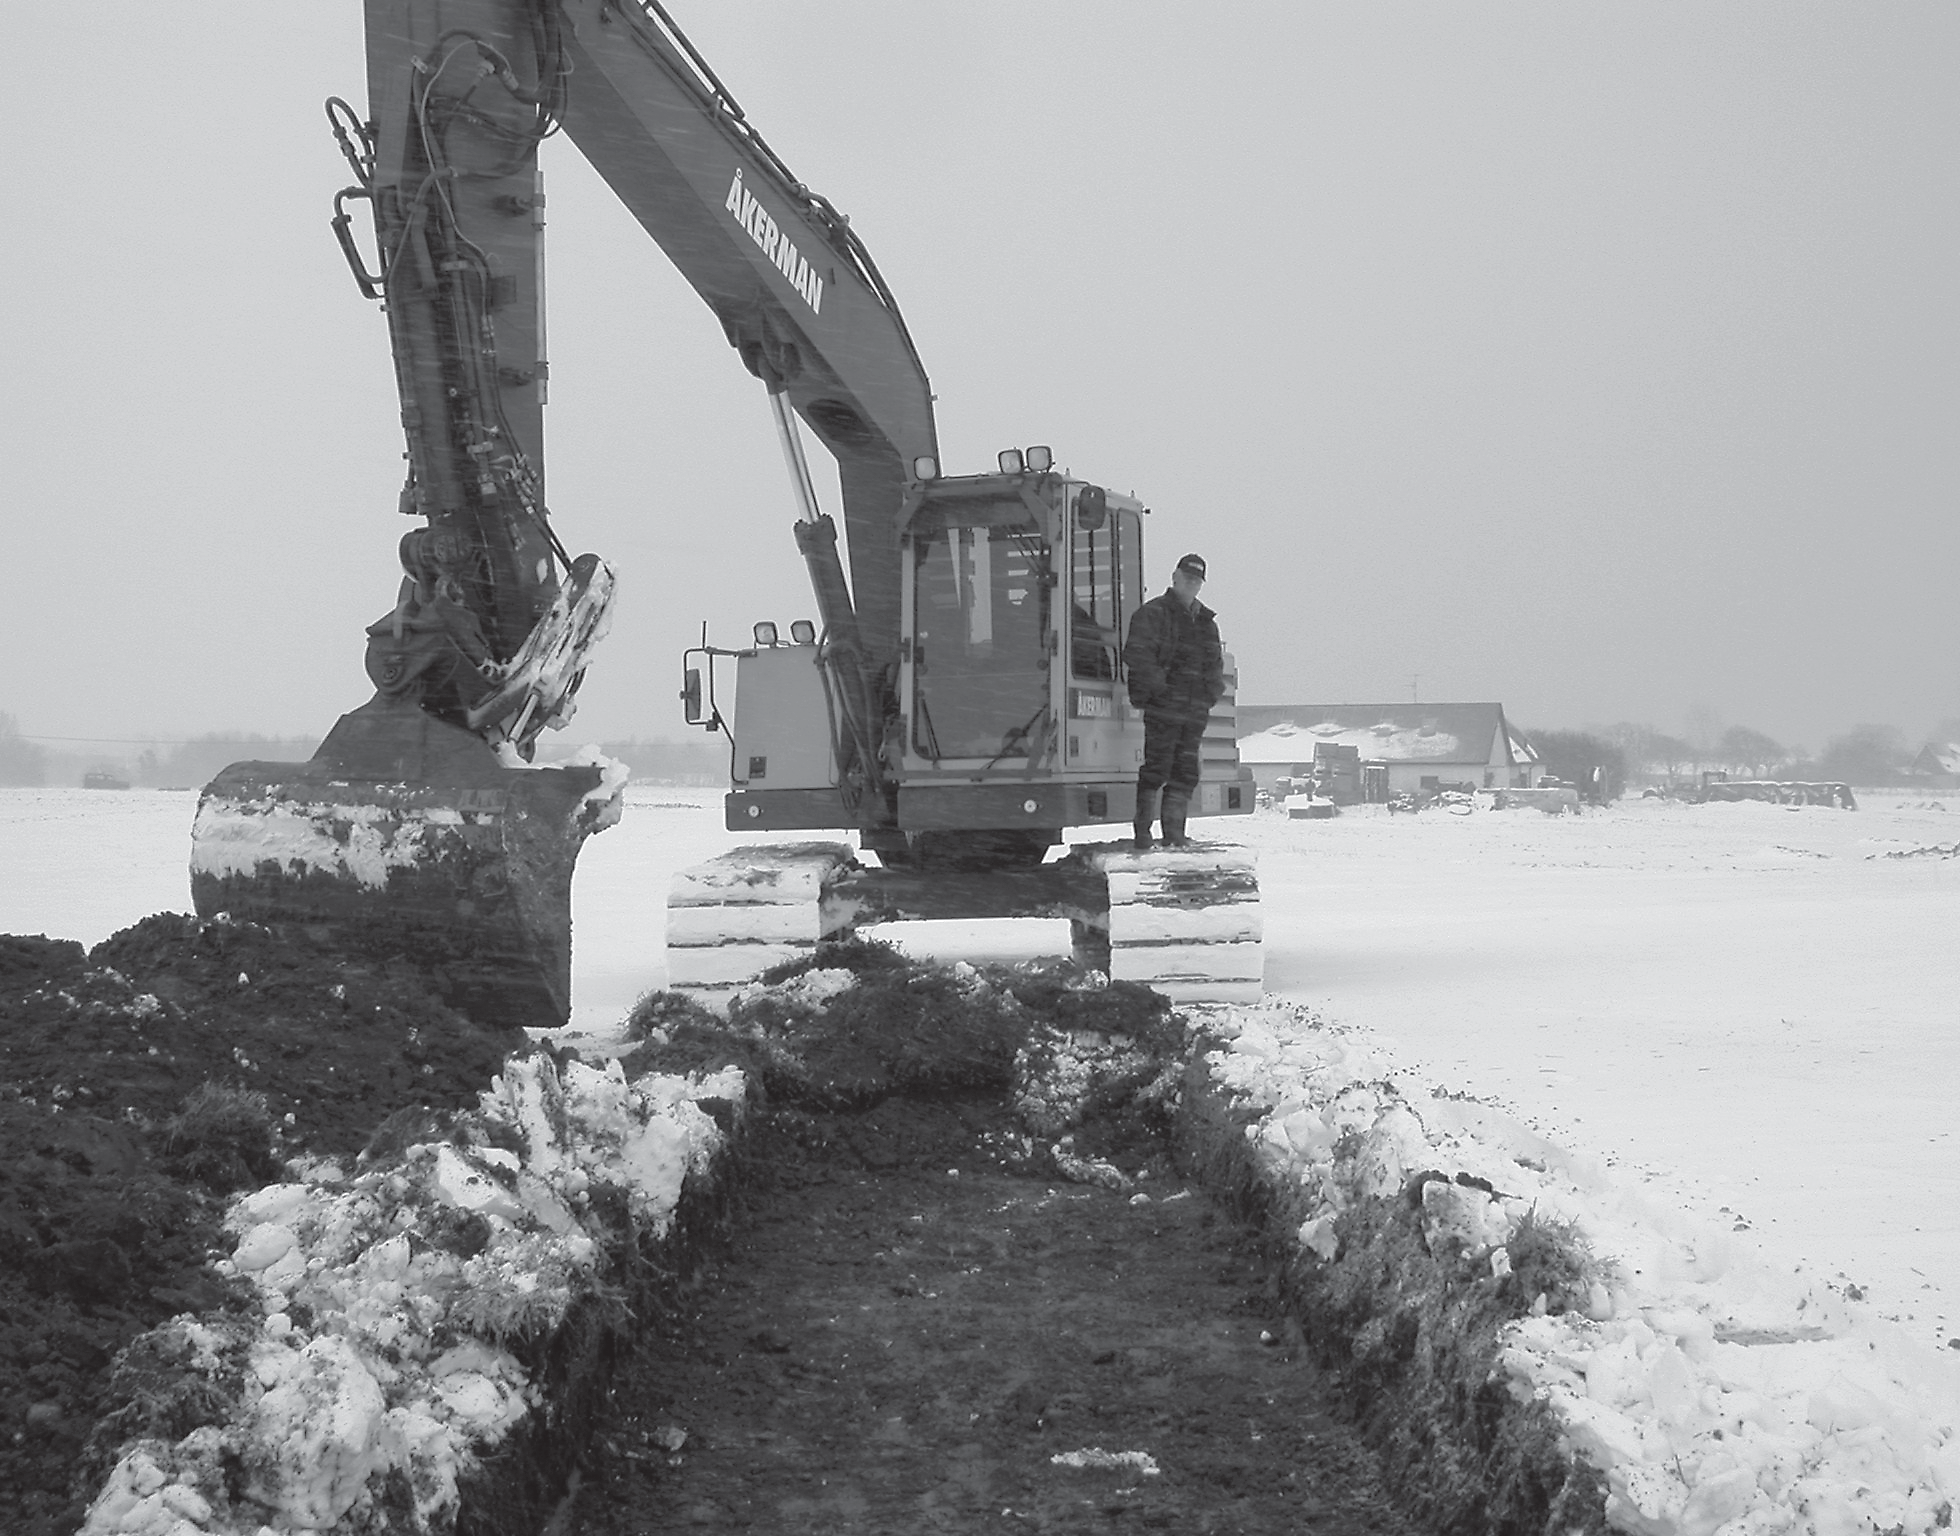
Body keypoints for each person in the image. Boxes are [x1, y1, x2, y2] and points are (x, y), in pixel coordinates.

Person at [1122, 553, 1225, 849]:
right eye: (1187, 577)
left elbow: (1214, 666)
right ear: (1175, 577)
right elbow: (1137, 656)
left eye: (1197, 580)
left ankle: (1174, 835)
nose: (1191, 584)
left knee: (1185, 773)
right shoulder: (1152, 614)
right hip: (1163, 708)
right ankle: (1143, 834)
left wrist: (1209, 694)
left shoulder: (1206, 622)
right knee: (1156, 768)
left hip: (1194, 711)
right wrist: (1163, 692)